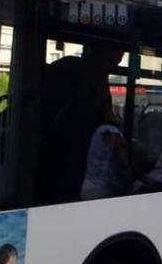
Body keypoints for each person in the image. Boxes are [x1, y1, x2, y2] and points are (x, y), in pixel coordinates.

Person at [40, 43, 125, 203]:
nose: (113, 66)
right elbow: (103, 112)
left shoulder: (67, 66)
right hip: (68, 162)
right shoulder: (89, 76)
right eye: (113, 60)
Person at [81, 103, 132, 200]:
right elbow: (121, 157)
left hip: (91, 186)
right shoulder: (110, 130)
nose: (117, 115)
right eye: (112, 112)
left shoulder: (98, 131)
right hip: (102, 189)